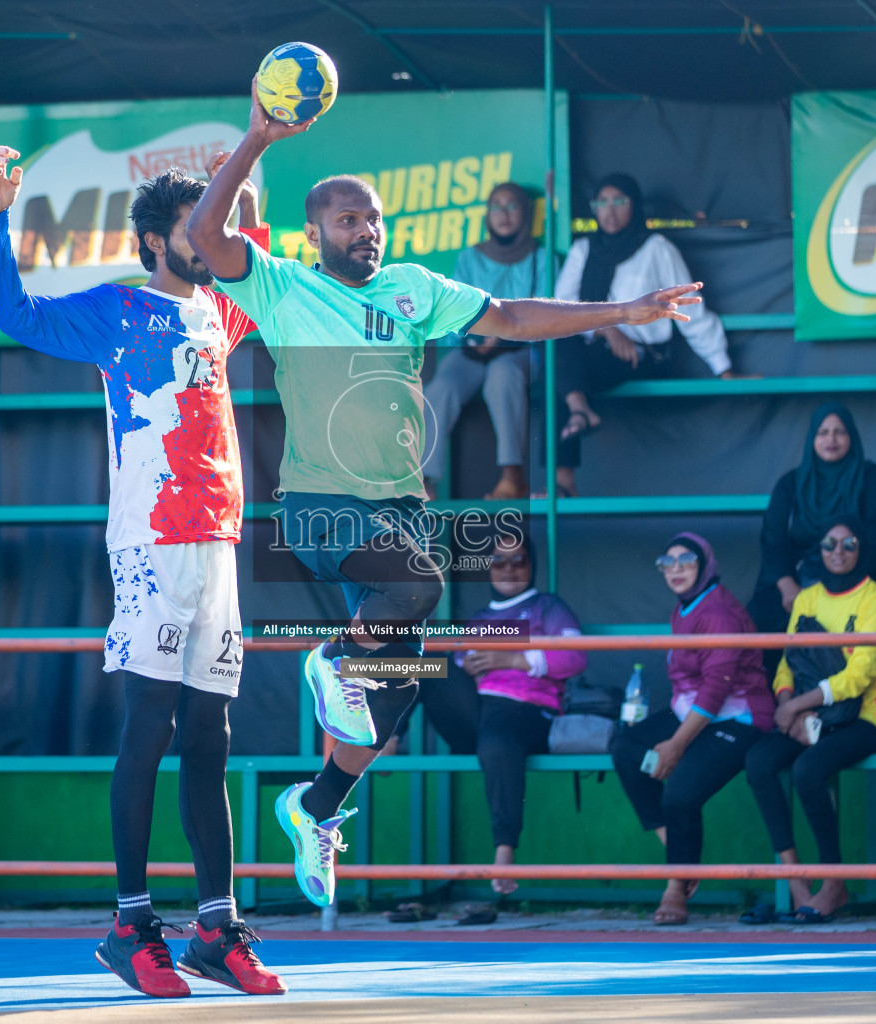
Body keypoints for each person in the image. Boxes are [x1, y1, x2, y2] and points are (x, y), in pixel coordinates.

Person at [184, 81, 703, 909]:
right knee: (419, 583)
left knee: (396, 697)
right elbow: (206, 235)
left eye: (375, 219)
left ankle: (314, 807)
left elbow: (515, 317)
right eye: (349, 219)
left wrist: (627, 307)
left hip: (395, 508)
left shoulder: (413, 289)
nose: (367, 230)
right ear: (315, 231)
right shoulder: (280, 286)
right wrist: (256, 139)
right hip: (319, 506)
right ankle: (331, 662)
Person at [0, 148, 284, 997]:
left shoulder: (227, 307)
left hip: (218, 543)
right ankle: (131, 921)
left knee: (212, 738)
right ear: (154, 241)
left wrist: (250, 158)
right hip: (148, 542)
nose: (211, 237)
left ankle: (217, 929)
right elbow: (15, 310)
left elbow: (249, 230)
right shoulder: (115, 310)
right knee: (150, 722)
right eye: (194, 227)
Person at [399, 531, 586, 896]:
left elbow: (576, 655)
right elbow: (454, 668)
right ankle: (388, 738)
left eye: (518, 560)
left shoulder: (548, 606)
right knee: (425, 661)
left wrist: (513, 659)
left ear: (531, 566)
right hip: (477, 715)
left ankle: (504, 850)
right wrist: (465, 662)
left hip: (527, 712)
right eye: (499, 560)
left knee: (498, 739)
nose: (509, 568)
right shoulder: (479, 618)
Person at [743, 517, 876, 923]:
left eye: (849, 543)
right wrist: (786, 705)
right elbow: (788, 663)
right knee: (760, 762)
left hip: (868, 714)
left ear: (861, 548)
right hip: (810, 713)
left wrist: (796, 708)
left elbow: (859, 676)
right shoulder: (808, 598)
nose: (838, 551)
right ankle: (797, 882)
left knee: (808, 769)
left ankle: (834, 884)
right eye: (830, 543)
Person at [610, 533, 773, 925]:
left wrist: (677, 746)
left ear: (705, 565)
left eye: (687, 561)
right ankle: (680, 857)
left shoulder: (717, 611)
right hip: (694, 713)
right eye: (669, 562)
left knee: (680, 793)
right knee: (626, 748)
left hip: (738, 717)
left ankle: (674, 886)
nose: (677, 569)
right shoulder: (685, 606)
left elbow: (717, 689)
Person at [546, 174, 736, 497]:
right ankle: (579, 412)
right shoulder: (584, 249)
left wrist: (724, 369)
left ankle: (565, 473)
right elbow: (561, 308)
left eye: (618, 201)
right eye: (601, 202)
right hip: (596, 352)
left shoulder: (657, 249)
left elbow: (691, 312)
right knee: (557, 342)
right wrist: (608, 329)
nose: (609, 210)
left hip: (644, 354)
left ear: (634, 205)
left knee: (564, 372)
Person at [422, 183, 554, 501]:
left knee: (503, 376)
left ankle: (512, 476)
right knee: (440, 388)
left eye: (512, 206)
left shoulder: (541, 257)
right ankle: (424, 481)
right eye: (496, 206)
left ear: (526, 213)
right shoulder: (470, 257)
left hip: (522, 349)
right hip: (472, 349)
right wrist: (475, 339)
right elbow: (454, 309)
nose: (504, 214)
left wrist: (505, 333)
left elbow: (551, 311)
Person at [749, 402, 876, 673]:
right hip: (798, 581)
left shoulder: (873, 479)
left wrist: (837, 593)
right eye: (823, 432)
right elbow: (773, 542)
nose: (831, 439)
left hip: (859, 578)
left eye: (840, 432)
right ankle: (776, 699)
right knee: (762, 617)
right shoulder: (791, 484)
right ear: (812, 439)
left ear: (851, 436)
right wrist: (788, 589)